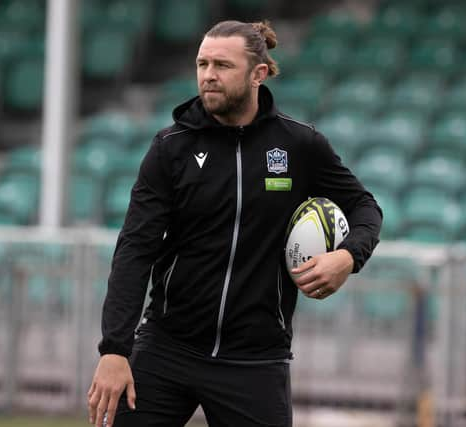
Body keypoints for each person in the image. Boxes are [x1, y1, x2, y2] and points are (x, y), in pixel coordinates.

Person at [88, 20, 382, 427]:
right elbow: (135, 249)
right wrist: (114, 350)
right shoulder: (170, 149)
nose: (208, 75)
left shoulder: (300, 145)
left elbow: (365, 208)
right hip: (167, 348)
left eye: (222, 65)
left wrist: (347, 258)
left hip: (255, 360)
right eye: (202, 63)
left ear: (257, 74)